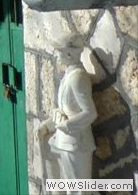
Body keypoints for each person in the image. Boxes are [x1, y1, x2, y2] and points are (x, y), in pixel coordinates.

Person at [36, 34, 97, 192]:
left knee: (80, 189)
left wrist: (66, 125)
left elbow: (90, 113)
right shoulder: (69, 76)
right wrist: (48, 125)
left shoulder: (78, 78)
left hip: (77, 143)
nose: (57, 55)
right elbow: (65, 109)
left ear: (69, 54)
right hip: (66, 142)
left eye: (60, 52)